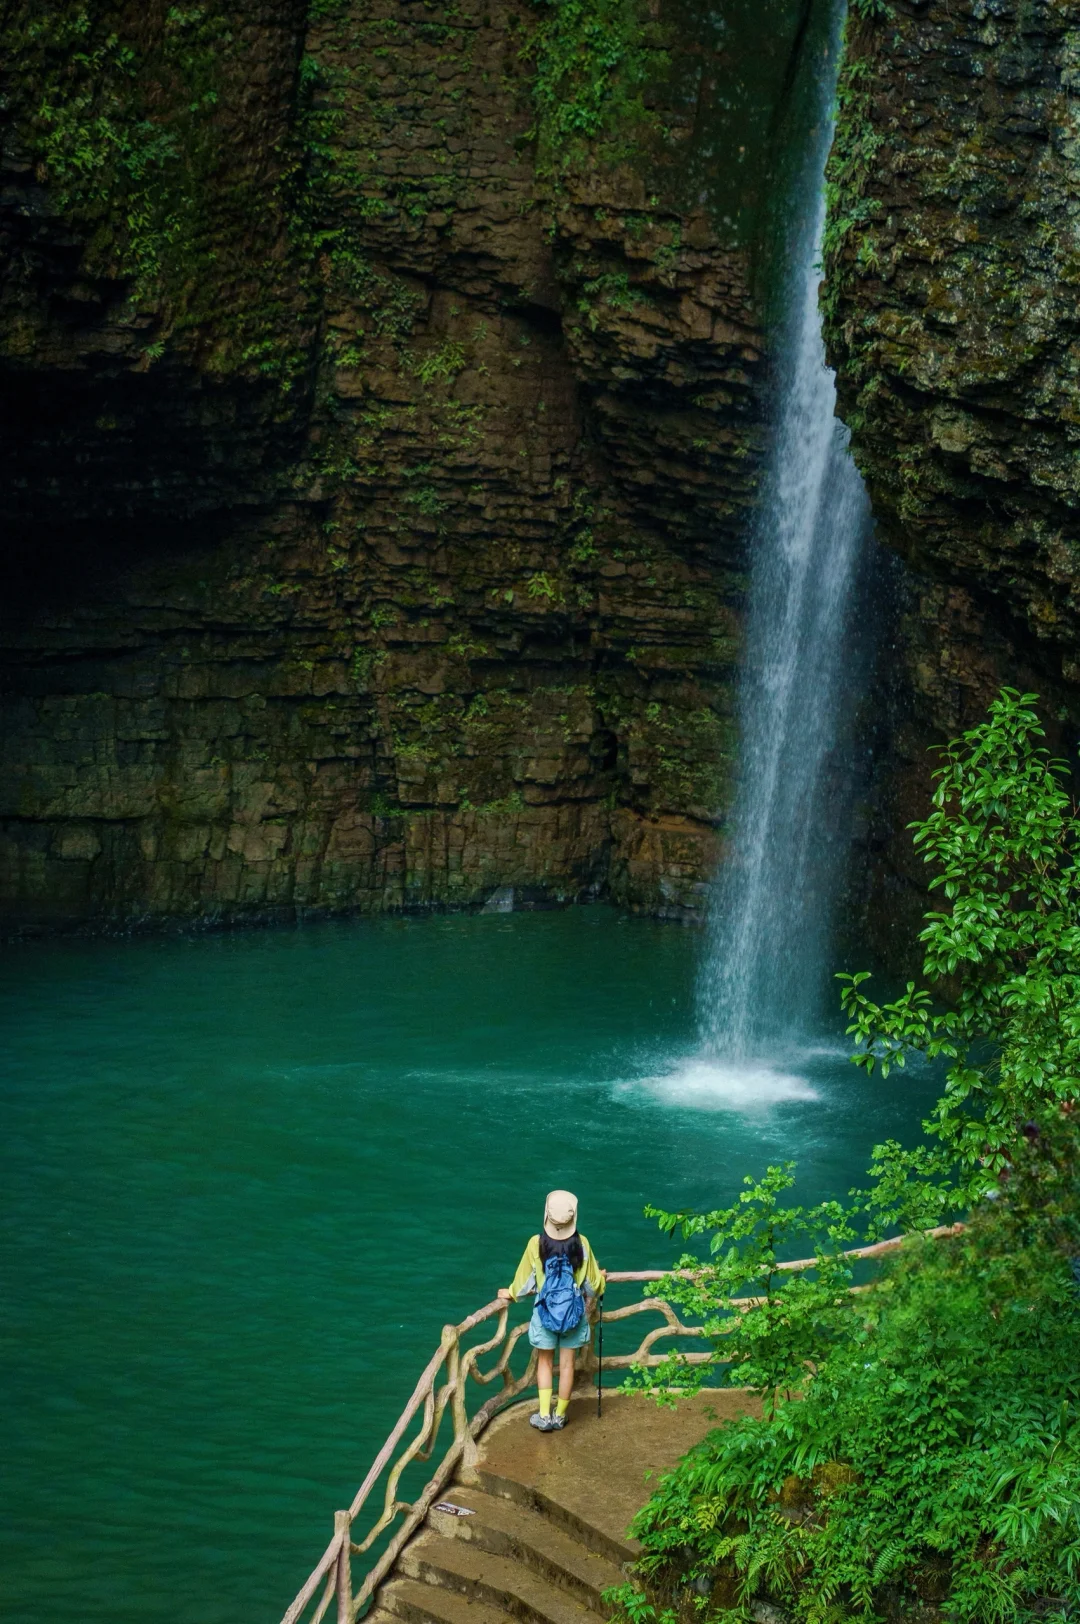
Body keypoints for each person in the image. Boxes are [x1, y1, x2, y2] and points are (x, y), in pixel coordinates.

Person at [497, 1189, 606, 1432]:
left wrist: (511, 1293)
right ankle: (560, 1416)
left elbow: (524, 1281)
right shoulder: (582, 1244)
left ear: (547, 1215)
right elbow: (592, 1285)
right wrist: (603, 1280)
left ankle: (544, 1416)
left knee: (544, 1362)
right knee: (567, 1365)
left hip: (545, 1313)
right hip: (573, 1316)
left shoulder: (536, 1243)